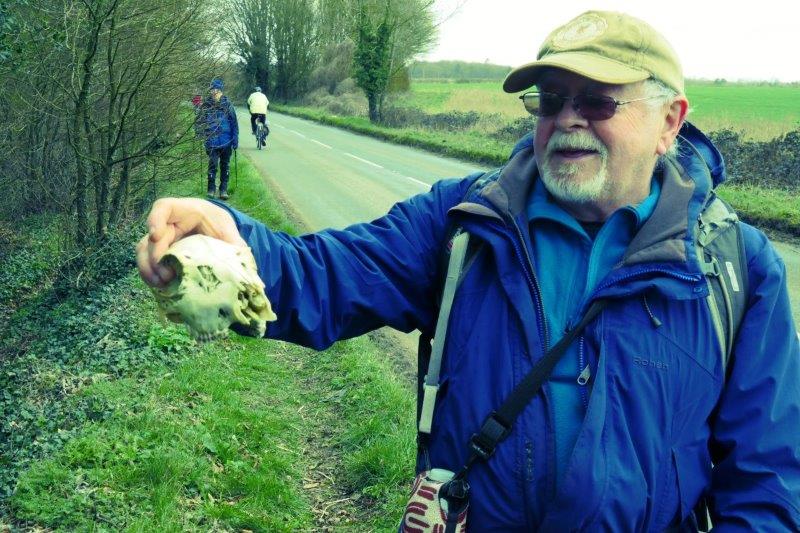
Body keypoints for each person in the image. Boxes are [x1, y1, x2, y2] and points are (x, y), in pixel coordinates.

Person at [138, 11, 800, 531]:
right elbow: (325, 275)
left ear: (669, 123)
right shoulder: (464, 224)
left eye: (598, 102)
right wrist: (230, 242)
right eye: (550, 100)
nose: (567, 120)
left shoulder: (736, 269)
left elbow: (769, 481)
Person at [196, 78, 238, 200]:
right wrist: (200, 134)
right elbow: (199, 122)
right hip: (211, 142)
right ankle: (211, 190)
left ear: (221, 91)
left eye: (217, 90)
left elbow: (234, 124)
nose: (214, 92)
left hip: (226, 141)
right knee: (213, 165)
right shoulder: (206, 106)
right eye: (212, 90)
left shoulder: (228, 105)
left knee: (225, 166)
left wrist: (235, 140)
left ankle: (223, 190)